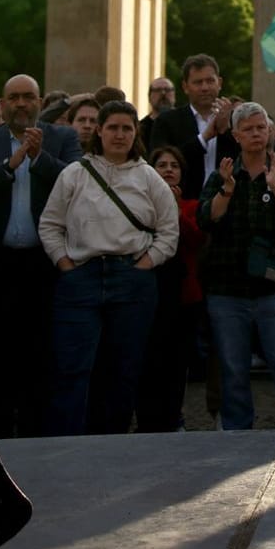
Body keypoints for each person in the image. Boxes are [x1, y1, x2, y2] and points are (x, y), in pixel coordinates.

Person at [38, 101, 179, 436]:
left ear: (136, 133)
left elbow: (169, 230)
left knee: (123, 368)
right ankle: (67, 444)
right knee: (72, 367)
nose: (119, 135)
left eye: (127, 128)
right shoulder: (74, 173)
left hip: (132, 280)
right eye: (113, 127)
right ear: (99, 131)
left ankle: (112, 441)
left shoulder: (149, 177)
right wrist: (65, 263)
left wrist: (147, 262)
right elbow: (50, 224)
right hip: (81, 277)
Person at [0, 74, 83, 437]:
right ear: (2, 103)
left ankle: (36, 431)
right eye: (13, 98)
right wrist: (10, 166)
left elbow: (75, 183)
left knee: (40, 353)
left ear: (40, 102)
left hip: (44, 265)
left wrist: (39, 158)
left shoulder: (63, 138)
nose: (21, 104)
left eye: (28, 97)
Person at [198, 102, 275, 430]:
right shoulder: (223, 173)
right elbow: (206, 218)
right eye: (248, 129)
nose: (256, 134)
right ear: (235, 135)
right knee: (233, 369)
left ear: (270, 131)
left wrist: (274, 186)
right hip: (228, 291)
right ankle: (237, 436)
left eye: (261, 127)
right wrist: (227, 190)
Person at [137, 145, 209, 433]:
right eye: (162, 164)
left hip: (183, 296)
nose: (168, 169)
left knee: (176, 363)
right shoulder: (139, 204)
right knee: (147, 360)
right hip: (148, 292)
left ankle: (172, 417)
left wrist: (175, 209)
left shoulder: (192, 205)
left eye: (174, 165)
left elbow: (194, 240)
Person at [153, 54, 241, 201]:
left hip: (227, 204)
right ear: (185, 87)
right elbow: (162, 162)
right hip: (182, 203)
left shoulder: (235, 120)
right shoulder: (167, 121)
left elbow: (243, 160)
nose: (205, 88)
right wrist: (204, 138)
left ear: (219, 83)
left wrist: (225, 130)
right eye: (198, 82)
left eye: (210, 81)